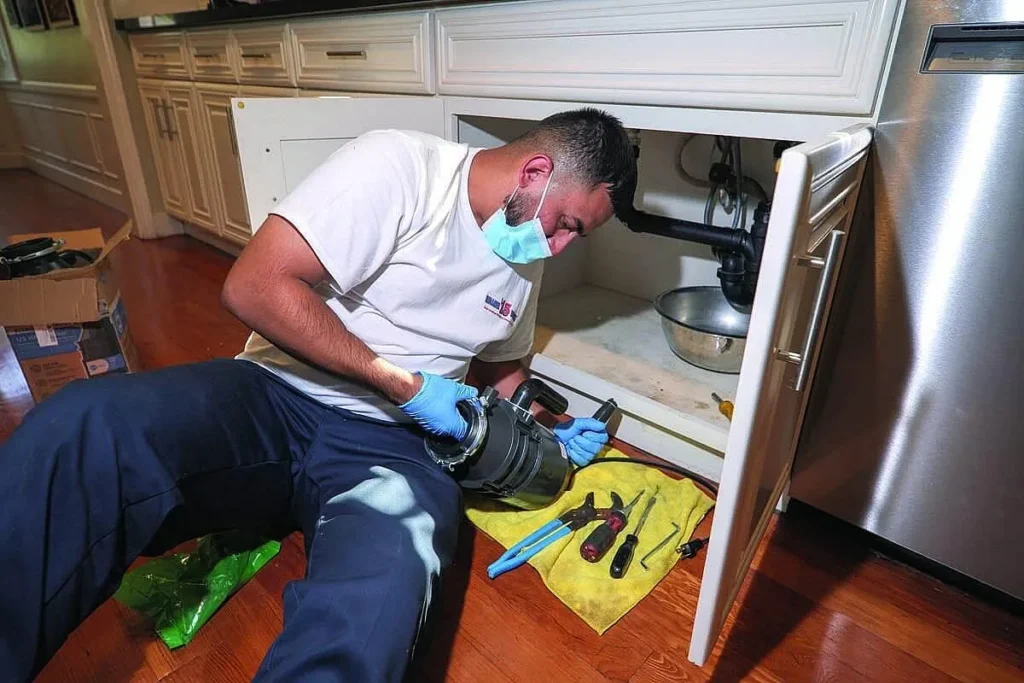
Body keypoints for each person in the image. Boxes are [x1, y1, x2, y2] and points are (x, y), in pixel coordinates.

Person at [0, 107, 638, 682]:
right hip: (275, 395)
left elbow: (502, 370)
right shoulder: (400, 168)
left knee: (385, 594)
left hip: (396, 452)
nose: (555, 247)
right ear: (535, 171)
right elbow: (254, 285)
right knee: (85, 425)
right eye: (565, 224)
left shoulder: (526, 255)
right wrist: (406, 386)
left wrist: (547, 424)